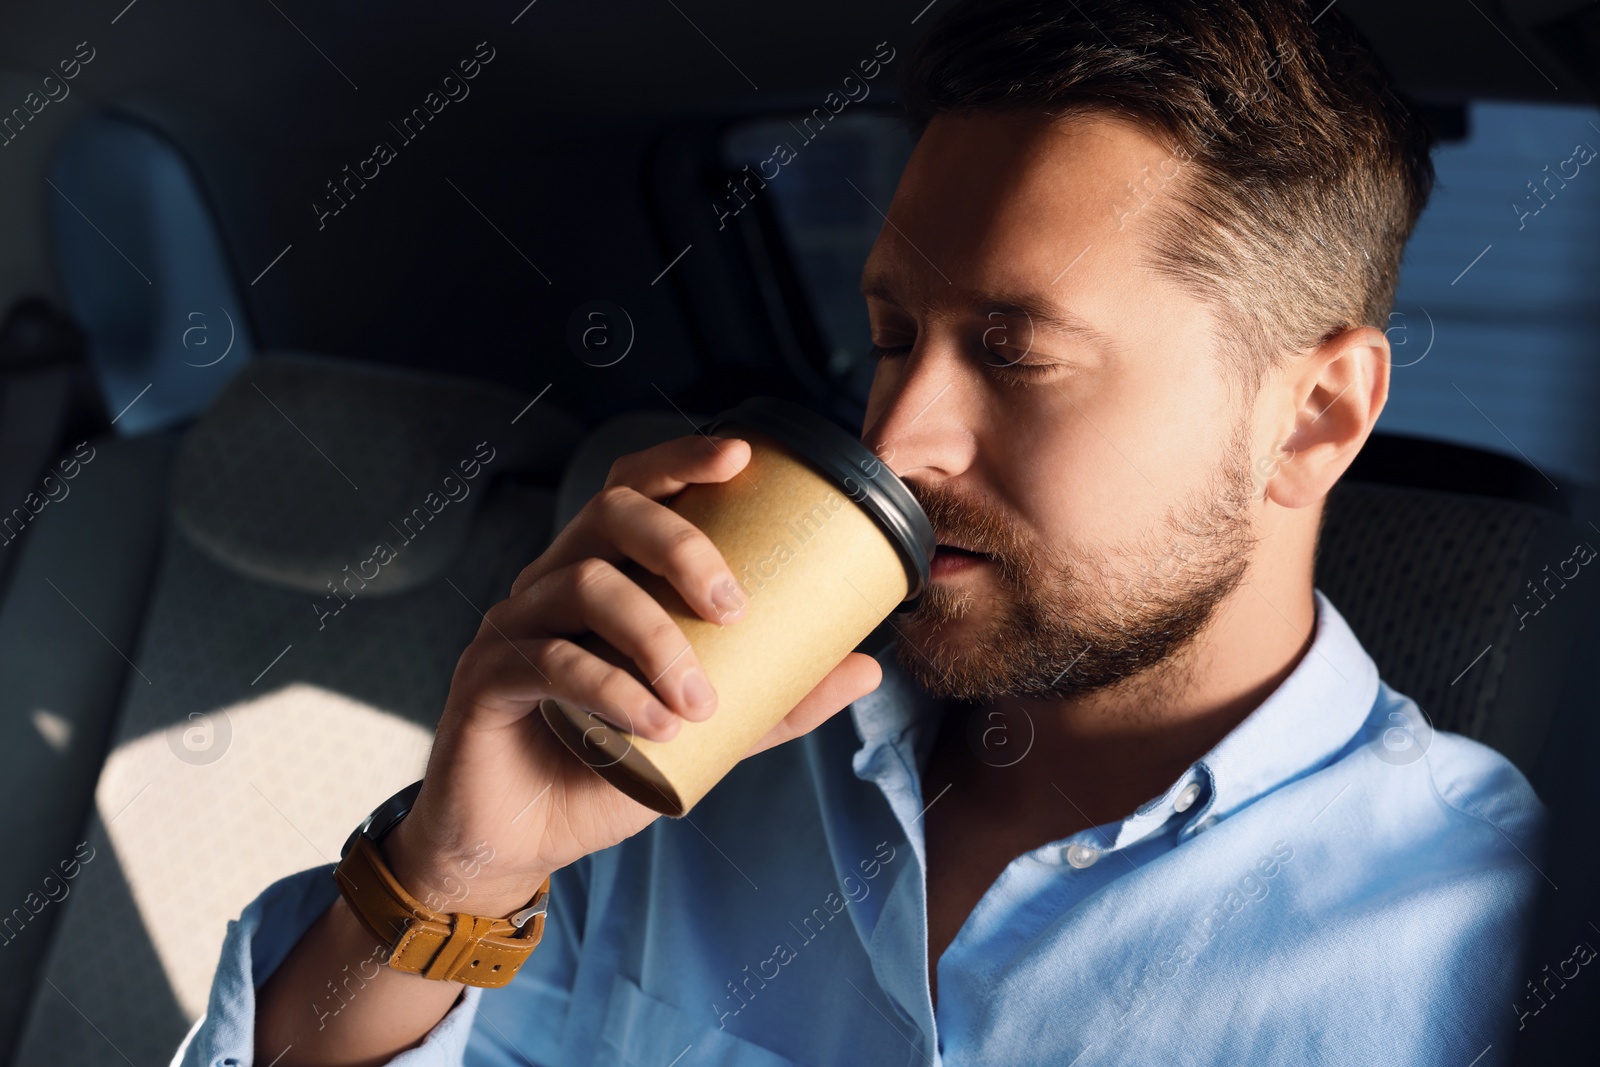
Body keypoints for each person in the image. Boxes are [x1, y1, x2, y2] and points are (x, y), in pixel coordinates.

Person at [175, 0, 1547, 1064]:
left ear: (1312, 417)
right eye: (893, 339)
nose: (896, 441)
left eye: (1015, 355)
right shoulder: (691, 750)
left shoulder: (1501, 950)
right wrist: (457, 874)